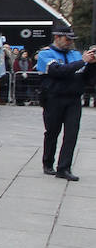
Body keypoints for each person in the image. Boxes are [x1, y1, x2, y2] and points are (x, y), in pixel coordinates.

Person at [36, 26, 96, 180]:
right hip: (53, 98)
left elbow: (87, 78)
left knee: (71, 134)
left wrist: (92, 64)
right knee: (52, 132)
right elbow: (58, 71)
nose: (69, 42)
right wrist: (82, 61)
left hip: (73, 99)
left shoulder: (75, 54)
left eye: (71, 40)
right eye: (67, 39)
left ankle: (64, 168)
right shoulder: (45, 54)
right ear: (57, 37)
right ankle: (48, 162)